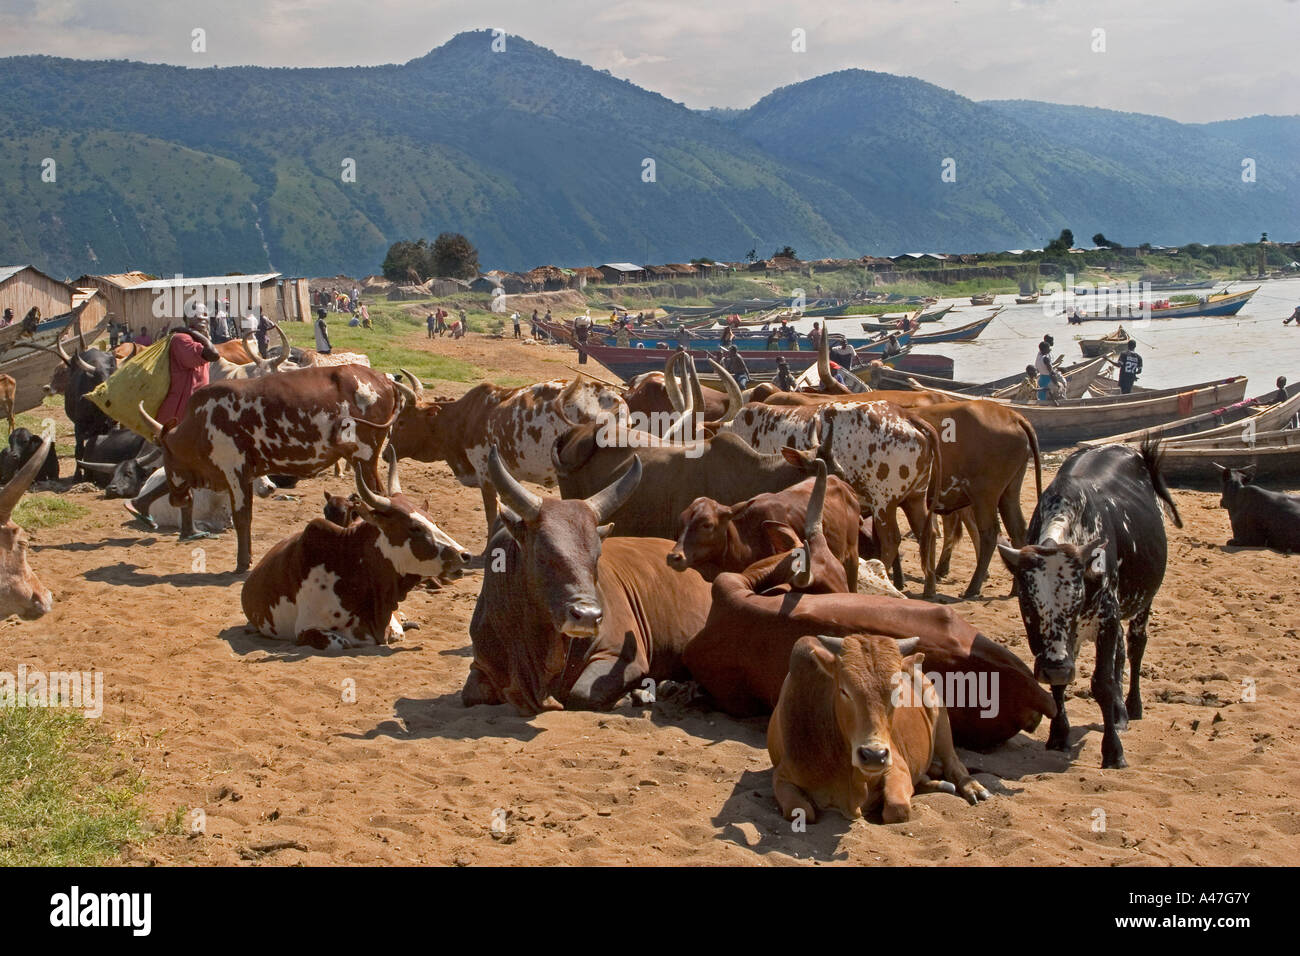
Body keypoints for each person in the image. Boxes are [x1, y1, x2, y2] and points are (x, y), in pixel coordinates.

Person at [125, 307, 221, 531]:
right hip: (177, 417)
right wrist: (199, 335)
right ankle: (142, 502)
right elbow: (213, 355)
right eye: (198, 317)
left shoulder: (191, 340)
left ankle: (186, 527)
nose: (204, 320)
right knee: (186, 470)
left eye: (206, 316)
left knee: (186, 470)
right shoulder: (181, 339)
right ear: (187, 320)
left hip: (191, 415)